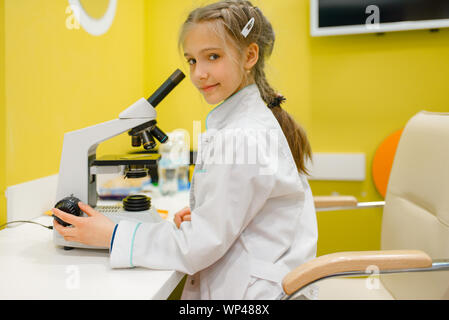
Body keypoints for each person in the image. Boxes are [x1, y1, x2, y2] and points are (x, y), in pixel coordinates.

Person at [53, 0, 318, 300]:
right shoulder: (248, 122)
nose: (198, 74)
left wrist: (113, 236)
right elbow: (246, 207)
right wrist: (208, 211)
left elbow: (199, 247)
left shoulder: (242, 135)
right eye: (192, 60)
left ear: (250, 56)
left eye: (212, 56)